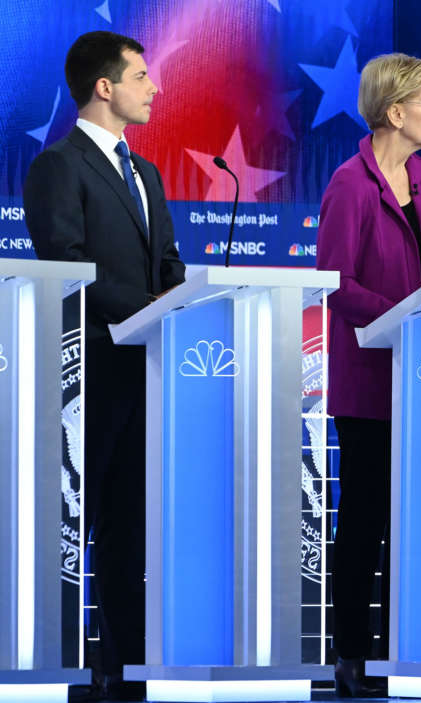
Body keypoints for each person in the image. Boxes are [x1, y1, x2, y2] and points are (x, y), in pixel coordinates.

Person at [24, 30, 185, 701]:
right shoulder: (58, 166)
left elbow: (168, 263)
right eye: (142, 76)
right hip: (84, 380)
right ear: (104, 86)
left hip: (146, 373)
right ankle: (52, 667)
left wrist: (178, 298)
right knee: (71, 527)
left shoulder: (145, 172)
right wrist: (144, 304)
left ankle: (124, 674)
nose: (154, 88)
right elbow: (64, 263)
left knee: (131, 534)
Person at [315, 52, 421, 698]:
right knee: (366, 516)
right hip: (371, 381)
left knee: (418, 519)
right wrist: (403, 316)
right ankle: (351, 655)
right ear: (395, 112)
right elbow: (337, 284)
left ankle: (410, 646)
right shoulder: (351, 183)